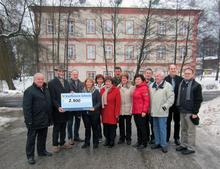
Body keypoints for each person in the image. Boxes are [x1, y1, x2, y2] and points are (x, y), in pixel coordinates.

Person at [23, 73, 53, 165]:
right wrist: (28, 121)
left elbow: (48, 104)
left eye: (42, 79)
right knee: (31, 139)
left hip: (44, 119)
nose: (40, 81)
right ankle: (30, 156)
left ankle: (42, 151)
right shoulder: (29, 91)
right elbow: (26, 108)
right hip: (34, 120)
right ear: (34, 80)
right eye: (38, 79)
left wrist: (50, 118)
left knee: (42, 137)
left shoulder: (46, 89)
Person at [176, 67, 203, 155]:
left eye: (189, 73)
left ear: (192, 74)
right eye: (185, 73)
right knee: (183, 129)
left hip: (191, 112)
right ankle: (184, 144)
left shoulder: (196, 85)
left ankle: (191, 148)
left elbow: (198, 100)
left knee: (191, 131)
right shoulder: (182, 83)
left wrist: (195, 112)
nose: (187, 75)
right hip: (182, 110)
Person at [48, 65, 72, 153]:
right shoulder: (51, 83)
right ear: (56, 72)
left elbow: (68, 93)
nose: (61, 73)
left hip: (66, 109)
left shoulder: (66, 82)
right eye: (59, 71)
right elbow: (52, 98)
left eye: (63, 71)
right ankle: (55, 144)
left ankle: (62, 142)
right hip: (57, 109)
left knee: (63, 126)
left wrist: (71, 92)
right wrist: (58, 107)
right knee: (57, 127)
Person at [150, 71, 174, 153]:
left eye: (158, 76)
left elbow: (171, 98)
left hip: (162, 112)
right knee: (155, 128)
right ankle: (157, 142)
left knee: (162, 129)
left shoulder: (168, 86)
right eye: (156, 76)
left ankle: (163, 145)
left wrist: (165, 107)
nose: (156, 77)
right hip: (153, 111)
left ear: (163, 77)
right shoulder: (151, 85)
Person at [165, 64, 183, 145]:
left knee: (177, 122)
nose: (173, 70)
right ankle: (167, 137)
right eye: (171, 68)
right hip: (168, 104)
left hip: (177, 104)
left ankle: (176, 138)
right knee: (167, 122)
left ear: (176, 69)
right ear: (169, 70)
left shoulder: (181, 79)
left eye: (174, 68)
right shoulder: (165, 79)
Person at [100, 76, 121, 148]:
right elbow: (100, 102)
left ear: (111, 82)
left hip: (112, 112)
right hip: (104, 112)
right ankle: (107, 140)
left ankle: (112, 141)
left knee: (112, 128)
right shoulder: (102, 90)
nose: (107, 83)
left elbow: (118, 103)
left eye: (109, 81)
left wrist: (117, 113)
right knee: (105, 127)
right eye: (106, 81)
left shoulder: (116, 90)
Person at [81, 78, 102, 149]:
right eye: (87, 82)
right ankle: (87, 142)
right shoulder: (82, 91)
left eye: (90, 82)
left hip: (94, 113)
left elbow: (99, 102)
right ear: (85, 83)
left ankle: (95, 142)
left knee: (95, 128)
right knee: (87, 128)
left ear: (92, 83)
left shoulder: (96, 91)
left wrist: (94, 107)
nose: (88, 83)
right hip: (85, 113)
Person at [132, 74, 150, 149]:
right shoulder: (136, 88)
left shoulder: (144, 88)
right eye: (136, 79)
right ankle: (139, 141)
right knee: (138, 127)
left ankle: (144, 143)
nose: (137, 80)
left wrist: (144, 111)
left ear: (142, 80)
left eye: (139, 79)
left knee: (143, 128)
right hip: (136, 111)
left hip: (141, 112)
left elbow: (146, 101)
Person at [117, 72, 134, 145]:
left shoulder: (131, 87)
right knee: (121, 125)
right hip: (120, 109)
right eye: (122, 78)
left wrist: (132, 109)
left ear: (127, 79)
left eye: (125, 78)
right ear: (120, 79)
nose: (123, 79)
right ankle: (122, 138)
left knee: (128, 125)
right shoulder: (118, 87)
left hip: (128, 108)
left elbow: (133, 99)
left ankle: (128, 138)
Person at [68, 69, 84, 143]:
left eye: (76, 74)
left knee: (77, 122)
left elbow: (83, 92)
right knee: (70, 123)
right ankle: (70, 138)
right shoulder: (68, 82)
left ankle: (76, 136)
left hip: (79, 107)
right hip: (70, 106)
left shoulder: (81, 83)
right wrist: (69, 92)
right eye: (74, 74)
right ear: (71, 75)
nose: (75, 76)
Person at [144, 68, 155, 144]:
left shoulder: (155, 83)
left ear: (151, 74)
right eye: (147, 73)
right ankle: (146, 136)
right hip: (144, 107)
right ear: (145, 74)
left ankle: (153, 137)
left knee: (153, 123)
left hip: (152, 106)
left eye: (149, 73)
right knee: (145, 123)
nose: (148, 74)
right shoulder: (142, 82)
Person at [95, 74, 105, 142]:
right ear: (96, 80)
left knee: (106, 121)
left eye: (101, 79)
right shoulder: (94, 87)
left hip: (104, 106)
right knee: (97, 122)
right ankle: (99, 136)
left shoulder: (105, 86)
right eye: (98, 79)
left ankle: (109, 135)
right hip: (97, 106)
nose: (99, 80)